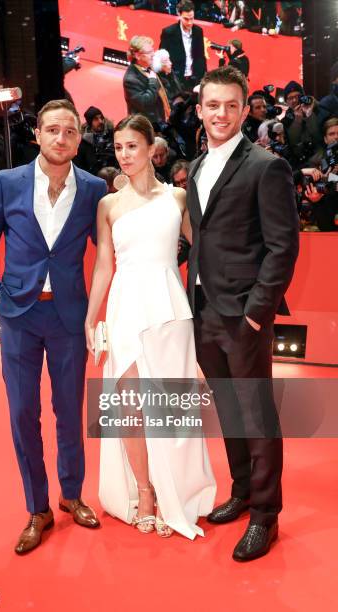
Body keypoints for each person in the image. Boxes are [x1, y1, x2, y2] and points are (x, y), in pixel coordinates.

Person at [0, 99, 107, 555]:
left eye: (70, 131)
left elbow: (109, 249)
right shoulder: (9, 183)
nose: (61, 138)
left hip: (69, 317)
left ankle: (71, 496)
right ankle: (38, 508)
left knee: (70, 413)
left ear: (78, 137)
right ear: (38, 135)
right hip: (19, 317)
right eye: (52, 130)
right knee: (21, 414)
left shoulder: (92, 189)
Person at [85, 114, 216, 540]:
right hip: (125, 307)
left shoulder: (177, 198)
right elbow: (105, 265)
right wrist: (93, 314)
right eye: (118, 147)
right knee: (129, 406)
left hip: (168, 308)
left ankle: (172, 488)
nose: (124, 155)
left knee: (170, 406)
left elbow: (204, 251)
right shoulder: (108, 204)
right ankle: (144, 490)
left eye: (132, 147)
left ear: (150, 149)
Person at [187, 66, 299, 561]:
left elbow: (283, 247)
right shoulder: (193, 167)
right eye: (213, 105)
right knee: (229, 410)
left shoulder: (265, 165)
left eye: (232, 105)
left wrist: (257, 313)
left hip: (244, 316)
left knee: (256, 414)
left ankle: (265, 516)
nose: (222, 114)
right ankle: (241, 491)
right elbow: (202, 238)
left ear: (245, 107)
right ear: (200, 109)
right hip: (204, 309)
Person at [159, 0, 206, 91]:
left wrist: (202, 79)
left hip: (194, 79)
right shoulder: (169, 33)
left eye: (192, 18)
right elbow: (162, 57)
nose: (189, 22)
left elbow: (201, 56)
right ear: (179, 15)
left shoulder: (198, 31)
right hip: (175, 80)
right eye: (186, 19)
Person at [123, 36, 169, 124]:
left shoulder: (149, 67)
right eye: (149, 52)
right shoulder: (130, 79)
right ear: (137, 55)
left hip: (158, 120)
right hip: (145, 125)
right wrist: (152, 81)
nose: (153, 54)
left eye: (152, 50)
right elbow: (145, 103)